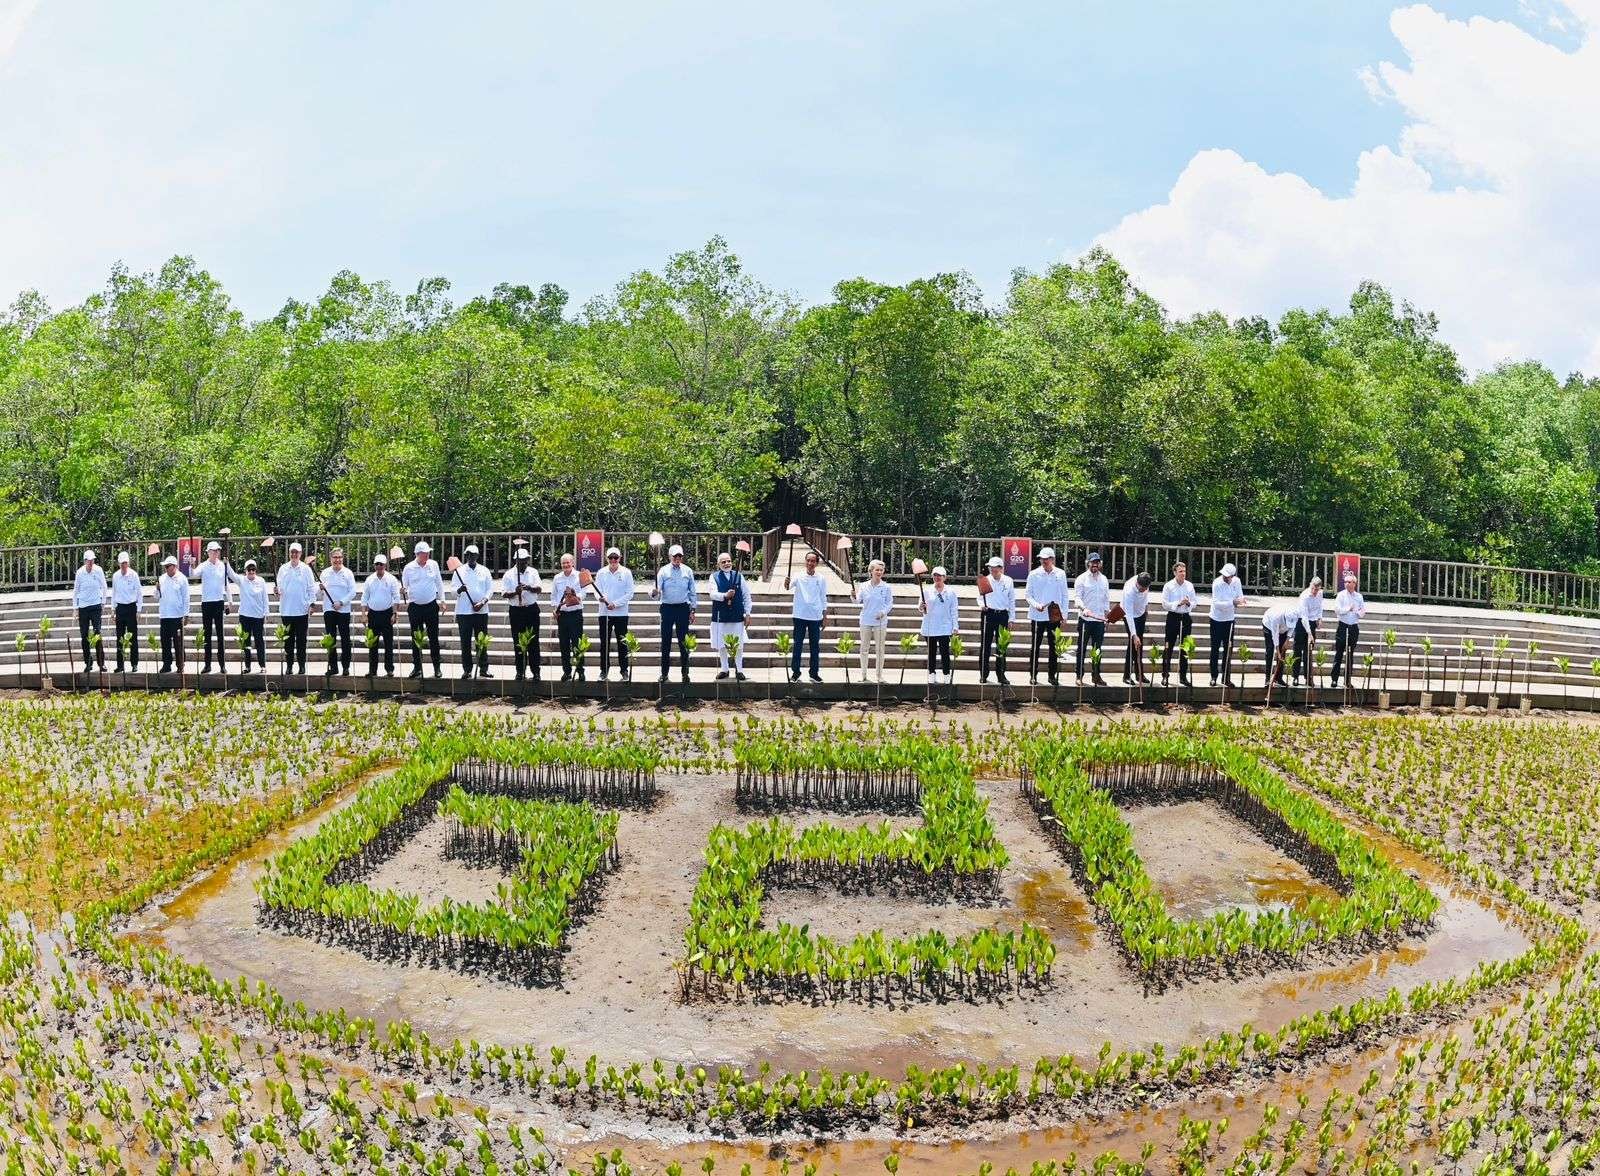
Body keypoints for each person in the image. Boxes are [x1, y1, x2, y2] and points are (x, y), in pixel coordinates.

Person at [653, 545, 698, 683]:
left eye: (680, 556)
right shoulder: (663, 570)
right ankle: (664, 673)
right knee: (666, 642)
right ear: (670, 557)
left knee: (683, 643)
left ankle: (685, 673)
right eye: (675, 556)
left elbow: (692, 591)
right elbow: (656, 591)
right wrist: (654, 592)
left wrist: (693, 609)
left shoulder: (688, 570)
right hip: (667, 608)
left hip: (683, 608)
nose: (677, 558)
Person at [401, 541, 444, 679]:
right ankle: (417, 667)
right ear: (417, 554)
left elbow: (439, 583)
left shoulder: (433, 564)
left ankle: (437, 667)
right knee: (416, 638)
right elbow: (404, 586)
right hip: (415, 607)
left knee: (433, 638)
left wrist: (442, 600)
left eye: (428, 553)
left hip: (431, 605)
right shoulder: (408, 568)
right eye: (424, 553)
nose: (427, 555)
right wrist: (403, 590)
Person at [1026, 547, 1068, 686]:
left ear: (1052, 559)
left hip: (1054, 615)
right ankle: (1033, 675)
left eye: (1046, 558)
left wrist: (1064, 614)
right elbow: (1028, 595)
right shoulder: (1033, 574)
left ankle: (1052, 675)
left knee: (1053, 646)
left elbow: (1064, 595)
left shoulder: (1060, 574)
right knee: (1035, 646)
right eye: (1042, 558)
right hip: (1037, 615)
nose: (1044, 561)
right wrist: (1036, 604)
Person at [708, 551, 753, 681]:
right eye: (723, 562)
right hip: (720, 615)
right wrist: (725, 596)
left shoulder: (739, 576)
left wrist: (748, 613)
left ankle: (739, 669)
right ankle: (724, 669)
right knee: (721, 643)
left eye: (728, 561)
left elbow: (746, 595)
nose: (727, 564)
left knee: (738, 644)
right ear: (718, 564)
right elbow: (712, 594)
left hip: (737, 614)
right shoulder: (714, 577)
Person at [785, 550, 829, 683]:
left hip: (815, 616)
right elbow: (788, 587)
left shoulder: (821, 578)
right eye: (808, 560)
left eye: (813, 561)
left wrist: (824, 615)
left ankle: (814, 673)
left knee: (814, 646)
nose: (810, 563)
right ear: (805, 562)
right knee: (797, 644)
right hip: (799, 614)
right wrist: (786, 582)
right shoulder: (798, 575)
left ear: (817, 563)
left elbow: (823, 597)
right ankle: (796, 672)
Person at [451, 544, 494, 679]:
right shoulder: (459, 571)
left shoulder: (484, 570)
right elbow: (452, 591)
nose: (470, 557)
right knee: (465, 641)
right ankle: (467, 669)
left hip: (481, 611)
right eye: (468, 555)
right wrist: (459, 590)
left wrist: (482, 602)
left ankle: (483, 668)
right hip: (464, 612)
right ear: (466, 556)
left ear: (477, 556)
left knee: (481, 641)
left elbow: (490, 589)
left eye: (473, 555)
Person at [501, 548, 543, 682]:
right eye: (521, 561)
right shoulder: (509, 574)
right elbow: (504, 594)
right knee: (518, 642)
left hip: (531, 609)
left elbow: (539, 589)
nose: (524, 563)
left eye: (525, 560)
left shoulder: (533, 572)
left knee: (533, 642)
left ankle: (536, 671)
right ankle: (520, 671)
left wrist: (528, 588)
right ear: (516, 561)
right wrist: (515, 592)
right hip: (516, 611)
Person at [275, 542, 316, 675]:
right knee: (288, 641)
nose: (294, 554)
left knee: (301, 641)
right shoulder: (283, 569)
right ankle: (289, 666)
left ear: (300, 553)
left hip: (302, 610)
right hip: (287, 610)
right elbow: (279, 588)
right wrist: (276, 591)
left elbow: (311, 588)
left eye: (296, 552)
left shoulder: (306, 569)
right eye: (292, 552)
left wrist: (311, 604)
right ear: (289, 553)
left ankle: (302, 666)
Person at [197, 541, 237, 674]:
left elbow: (227, 584)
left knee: (220, 635)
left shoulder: (223, 565)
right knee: (207, 635)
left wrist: (230, 601)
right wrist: (191, 564)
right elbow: (193, 574)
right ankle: (207, 664)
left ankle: (222, 665)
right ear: (208, 552)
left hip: (219, 602)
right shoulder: (203, 565)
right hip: (207, 603)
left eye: (217, 551)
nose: (216, 553)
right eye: (213, 551)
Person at [594, 547, 634, 681]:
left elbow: (630, 593)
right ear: (607, 559)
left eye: (615, 557)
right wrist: (598, 598)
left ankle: (624, 670)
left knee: (622, 643)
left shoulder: (626, 572)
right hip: (604, 613)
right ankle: (604, 671)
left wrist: (615, 604)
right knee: (604, 643)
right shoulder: (601, 572)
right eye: (610, 558)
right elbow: (596, 590)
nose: (613, 560)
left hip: (621, 613)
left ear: (620, 558)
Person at [1208, 562, 1248, 688]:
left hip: (1230, 619)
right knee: (1215, 648)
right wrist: (1233, 602)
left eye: (1228, 576)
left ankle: (1226, 677)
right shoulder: (1217, 583)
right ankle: (1213, 676)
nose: (1225, 578)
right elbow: (1217, 603)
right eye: (1224, 575)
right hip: (1216, 619)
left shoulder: (1237, 582)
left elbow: (1240, 597)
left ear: (1232, 576)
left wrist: (1239, 602)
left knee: (1228, 649)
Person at [1073, 552, 1110, 686]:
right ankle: (1079, 676)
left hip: (1099, 620)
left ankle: (1096, 675)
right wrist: (1084, 608)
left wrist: (1107, 616)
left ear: (1099, 564)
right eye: (1092, 562)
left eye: (1097, 562)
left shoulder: (1104, 579)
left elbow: (1106, 599)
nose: (1095, 564)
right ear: (1087, 563)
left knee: (1098, 649)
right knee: (1081, 649)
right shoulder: (1081, 579)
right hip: (1085, 619)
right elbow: (1077, 598)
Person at [978, 556, 1016, 686]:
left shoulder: (1008, 581)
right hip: (988, 614)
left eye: (995, 568)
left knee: (1002, 646)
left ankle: (1001, 675)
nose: (993, 570)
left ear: (1001, 568)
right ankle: (983, 674)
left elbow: (1011, 600)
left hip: (1003, 615)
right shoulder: (984, 580)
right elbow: (979, 598)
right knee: (985, 645)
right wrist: (981, 606)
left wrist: (1012, 618)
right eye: (991, 568)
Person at [854, 559, 894, 683]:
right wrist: (852, 595)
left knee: (880, 649)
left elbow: (890, 603)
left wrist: (883, 612)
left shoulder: (886, 587)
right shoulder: (864, 586)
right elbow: (857, 601)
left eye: (881, 570)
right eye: (877, 570)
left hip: (881, 621)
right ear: (871, 571)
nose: (879, 572)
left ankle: (879, 675)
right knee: (864, 648)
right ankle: (863, 675)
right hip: (866, 619)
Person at [319, 547, 357, 677]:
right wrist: (320, 588)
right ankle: (333, 667)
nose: (337, 560)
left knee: (345, 639)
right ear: (330, 559)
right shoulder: (324, 573)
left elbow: (353, 592)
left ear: (343, 558)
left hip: (343, 610)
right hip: (329, 610)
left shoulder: (348, 573)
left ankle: (345, 667)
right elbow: (318, 591)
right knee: (331, 639)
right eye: (335, 557)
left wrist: (341, 602)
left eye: (339, 557)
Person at [550, 553, 588, 681]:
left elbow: (584, 593)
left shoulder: (579, 576)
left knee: (577, 644)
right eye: (563, 563)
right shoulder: (557, 578)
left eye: (568, 562)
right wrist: (555, 609)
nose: (565, 565)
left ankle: (580, 671)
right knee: (564, 645)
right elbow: (554, 596)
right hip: (563, 615)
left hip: (576, 614)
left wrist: (576, 597)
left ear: (572, 563)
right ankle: (566, 671)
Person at [360, 553, 399, 677]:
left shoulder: (392, 579)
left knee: (388, 643)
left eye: (381, 564)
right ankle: (373, 670)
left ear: (385, 565)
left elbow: (396, 596)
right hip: (373, 614)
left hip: (387, 613)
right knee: (373, 644)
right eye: (377, 564)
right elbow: (365, 597)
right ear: (374, 565)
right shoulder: (369, 579)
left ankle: (389, 669)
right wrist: (363, 614)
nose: (379, 566)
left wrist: (395, 613)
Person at [919, 566, 959, 684]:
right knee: (931, 652)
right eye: (935, 575)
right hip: (930, 626)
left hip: (944, 627)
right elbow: (920, 608)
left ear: (944, 577)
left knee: (944, 652)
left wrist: (955, 626)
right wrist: (922, 607)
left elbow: (954, 610)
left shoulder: (951, 592)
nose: (937, 578)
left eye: (940, 576)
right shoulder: (926, 591)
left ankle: (946, 674)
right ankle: (931, 673)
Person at [1160, 562, 1197, 687]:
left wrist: (1187, 603)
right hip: (1173, 618)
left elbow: (1195, 603)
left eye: (1184, 571)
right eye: (1180, 571)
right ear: (1175, 572)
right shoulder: (1169, 586)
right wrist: (1178, 603)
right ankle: (1165, 675)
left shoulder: (1189, 586)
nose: (1183, 574)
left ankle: (1183, 676)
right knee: (1168, 647)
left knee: (1185, 648)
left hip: (1185, 617)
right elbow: (1164, 604)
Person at [71, 549, 108, 673]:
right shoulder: (80, 572)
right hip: (83, 606)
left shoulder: (98, 570)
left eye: (92, 560)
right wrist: (75, 608)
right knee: (84, 635)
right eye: (89, 561)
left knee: (97, 633)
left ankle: (101, 663)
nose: (91, 563)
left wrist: (103, 602)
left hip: (96, 605)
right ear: (85, 561)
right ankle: (88, 662)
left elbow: (104, 586)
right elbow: (76, 590)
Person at [1330, 571, 1367, 688]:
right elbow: (1337, 610)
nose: (1347, 584)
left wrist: (1357, 611)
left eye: (1349, 582)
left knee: (1350, 654)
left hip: (1353, 627)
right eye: (1345, 582)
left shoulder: (1359, 596)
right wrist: (1348, 609)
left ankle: (1347, 680)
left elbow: (1363, 612)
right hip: (1342, 626)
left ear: (1354, 583)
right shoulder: (1341, 595)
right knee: (1339, 653)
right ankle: (1334, 679)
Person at [1260, 600, 1309, 688]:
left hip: (1283, 630)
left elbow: (1292, 628)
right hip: (1269, 626)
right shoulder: (1276, 617)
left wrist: (1287, 641)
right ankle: (1267, 679)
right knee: (1270, 650)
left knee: (1283, 652)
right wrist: (1278, 651)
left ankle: (1279, 678)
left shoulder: (1295, 614)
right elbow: (1275, 636)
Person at [156, 555, 189, 673]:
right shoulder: (161, 578)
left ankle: (180, 664)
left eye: (168, 566)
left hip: (177, 615)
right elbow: (157, 596)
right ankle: (167, 664)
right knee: (165, 642)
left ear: (174, 566)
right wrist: (157, 589)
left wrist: (186, 614)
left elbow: (186, 598)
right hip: (164, 615)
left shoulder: (182, 578)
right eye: (165, 566)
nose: (166, 568)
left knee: (178, 642)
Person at [110, 551, 142, 673]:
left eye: (125, 563)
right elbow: (114, 593)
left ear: (128, 563)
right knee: (120, 637)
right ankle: (120, 665)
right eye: (122, 563)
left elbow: (139, 593)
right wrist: (113, 609)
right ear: (118, 564)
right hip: (120, 608)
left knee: (133, 637)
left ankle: (134, 663)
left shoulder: (133, 575)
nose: (124, 565)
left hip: (131, 607)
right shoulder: (116, 576)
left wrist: (138, 610)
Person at [1121, 571, 1153, 685]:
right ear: (1137, 584)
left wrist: (1146, 610)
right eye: (1140, 589)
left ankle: (1139, 673)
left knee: (1139, 645)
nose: (1142, 591)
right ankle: (1126, 675)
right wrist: (1134, 635)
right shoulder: (1129, 589)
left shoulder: (1145, 582)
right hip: (1128, 615)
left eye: (1145, 589)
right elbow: (1129, 614)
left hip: (1140, 614)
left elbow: (1145, 598)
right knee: (1132, 644)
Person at [237, 559, 269, 671]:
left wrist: (266, 612)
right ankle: (247, 666)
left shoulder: (261, 581)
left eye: (253, 569)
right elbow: (231, 573)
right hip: (245, 615)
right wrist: (226, 564)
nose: (251, 572)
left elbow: (265, 597)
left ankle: (262, 665)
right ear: (245, 571)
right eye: (249, 569)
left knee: (259, 641)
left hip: (258, 616)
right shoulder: (241, 580)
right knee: (246, 642)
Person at [1293, 575, 1325, 685]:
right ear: (1310, 585)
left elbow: (1320, 606)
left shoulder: (1320, 593)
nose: (1315, 592)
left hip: (1312, 622)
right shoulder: (1305, 596)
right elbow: (1304, 617)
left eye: (1317, 589)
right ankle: (1295, 677)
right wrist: (1309, 634)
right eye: (1313, 589)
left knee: (1309, 651)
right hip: (1302, 623)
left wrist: (1319, 618)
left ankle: (1308, 677)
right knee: (1297, 651)